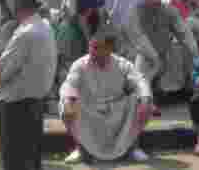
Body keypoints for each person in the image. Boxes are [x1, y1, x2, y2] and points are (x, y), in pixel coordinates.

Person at [0, 0, 57, 170]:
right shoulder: (45, 27)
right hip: (36, 100)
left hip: (15, 104)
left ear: (18, 8)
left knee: (13, 160)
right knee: (31, 158)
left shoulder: (25, 33)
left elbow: (0, 73)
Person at [59, 26, 153, 163]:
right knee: (66, 103)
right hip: (89, 108)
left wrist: (145, 100)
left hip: (117, 108)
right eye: (91, 47)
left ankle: (133, 148)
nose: (92, 51)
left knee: (140, 101)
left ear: (109, 49)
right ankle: (80, 149)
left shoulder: (123, 64)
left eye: (97, 47)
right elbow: (69, 84)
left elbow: (139, 81)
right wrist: (68, 102)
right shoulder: (80, 64)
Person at [53, 0, 107, 91]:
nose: (97, 9)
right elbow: (64, 67)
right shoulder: (67, 30)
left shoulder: (93, 25)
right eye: (94, 6)